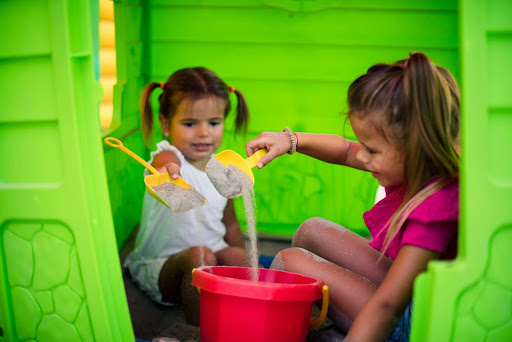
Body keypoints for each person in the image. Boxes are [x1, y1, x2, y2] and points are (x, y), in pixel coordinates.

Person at [245, 52, 460, 341]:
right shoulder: (422, 163)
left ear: (415, 145)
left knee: (290, 261)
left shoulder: (435, 207)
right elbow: (346, 150)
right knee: (312, 230)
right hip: (407, 291)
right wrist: (290, 140)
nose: (364, 157)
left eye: (372, 151)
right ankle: (316, 319)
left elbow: (387, 306)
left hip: (413, 323)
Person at [124, 67, 251, 326]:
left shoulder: (223, 171)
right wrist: (167, 172)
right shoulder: (169, 157)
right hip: (165, 268)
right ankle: (195, 330)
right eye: (190, 123)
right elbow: (166, 164)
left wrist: (244, 257)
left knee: (239, 259)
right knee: (200, 258)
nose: (204, 133)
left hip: (213, 255)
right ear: (166, 125)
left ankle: (241, 315)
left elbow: (231, 223)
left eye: (214, 123)